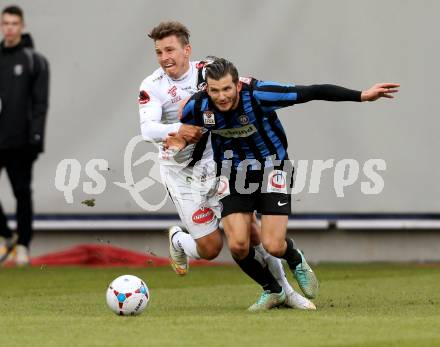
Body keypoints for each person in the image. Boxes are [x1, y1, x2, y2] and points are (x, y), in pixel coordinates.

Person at [174, 57, 399, 310]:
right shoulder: (198, 106)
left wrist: (362, 95)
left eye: (227, 89)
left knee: (273, 245)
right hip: (232, 173)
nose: (222, 96)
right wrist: (180, 141)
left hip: (273, 169)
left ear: (237, 86)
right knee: (237, 245)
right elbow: (186, 130)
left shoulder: (260, 94)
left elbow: (312, 91)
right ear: (207, 89)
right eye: (215, 90)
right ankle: (273, 290)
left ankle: (294, 257)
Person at [139, 22, 315, 310]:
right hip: (180, 173)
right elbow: (148, 130)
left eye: (169, 49)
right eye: (159, 52)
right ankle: (180, 240)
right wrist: (180, 130)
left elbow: (239, 90)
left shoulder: (208, 72)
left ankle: (283, 292)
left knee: (252, 233)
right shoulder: (152, 85)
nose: (164, 57)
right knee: (210, 249)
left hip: (217, 166)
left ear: (187, 50)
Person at [0, 6, 49, 266]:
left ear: (22, 26)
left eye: (14, 23)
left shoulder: (34, 61)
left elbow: (40, 104)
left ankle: (22, 246)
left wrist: (36, 137)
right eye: (5, 23)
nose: (9, 28)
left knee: (21, 193)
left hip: (21, 140)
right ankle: (6, 235)